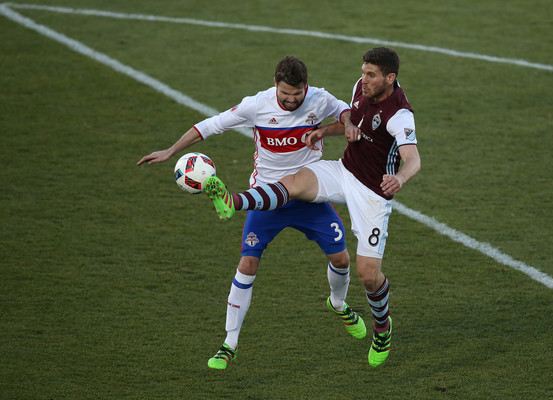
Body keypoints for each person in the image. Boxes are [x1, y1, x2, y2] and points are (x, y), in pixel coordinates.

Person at [137, 56, 366, 371]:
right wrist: (171, 151)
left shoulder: (318, 99)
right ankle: (229, 343)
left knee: (341, 260)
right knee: (247, 263)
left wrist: (344, 124)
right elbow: (211, 125)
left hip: (309, 196)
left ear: (305, 87)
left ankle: (338, 304)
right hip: (267, 199)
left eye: (296, 95)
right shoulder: (257, 105)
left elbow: (346, 111)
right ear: (275, 85)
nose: (290, 100)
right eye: (285, 95)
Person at [206, 47, 421, 367]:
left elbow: (412, 159)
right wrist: (324, 130)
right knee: (294, 182)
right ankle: (233, 201)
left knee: (368, 275)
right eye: (363, 71)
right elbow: (354, 126)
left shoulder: (400, 114)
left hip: (373, 192)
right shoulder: (360, 90)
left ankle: (382, 327)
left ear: (390, 78)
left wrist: (400, 178)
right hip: (344, 171)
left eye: (371, 75)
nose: (363, 79)